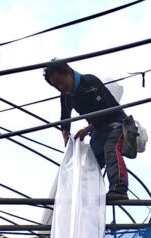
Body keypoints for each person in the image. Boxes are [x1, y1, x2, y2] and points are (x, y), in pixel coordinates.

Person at [43, 59, 129, 200]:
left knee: (111, 150)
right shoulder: (66, 96)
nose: (60, 87)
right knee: (90, 163)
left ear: (68, 72)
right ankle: (86, 196)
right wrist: (65, 133)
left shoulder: (89, 83)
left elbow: (106, 112)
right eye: (55, 85)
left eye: (60, 81)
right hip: (99, 130)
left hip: (116, 124)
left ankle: (119, 189)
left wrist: (87, 129)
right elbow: (65, 116)